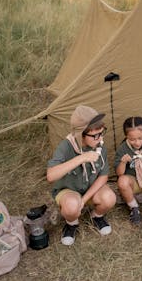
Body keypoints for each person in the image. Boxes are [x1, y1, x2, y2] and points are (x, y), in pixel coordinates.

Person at [47, 105, 116, 246]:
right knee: (72, 206)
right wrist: (81, 158)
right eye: (95, 135)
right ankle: (72, 223)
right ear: (81, 134)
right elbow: (51, 176)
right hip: (69, 190)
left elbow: (103, 176)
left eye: (102, 133)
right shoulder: (66, 146)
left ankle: (96, 216)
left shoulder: (99, 145)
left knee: (109, 198)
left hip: (89, 189)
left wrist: (84, 200)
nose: (100, 138)